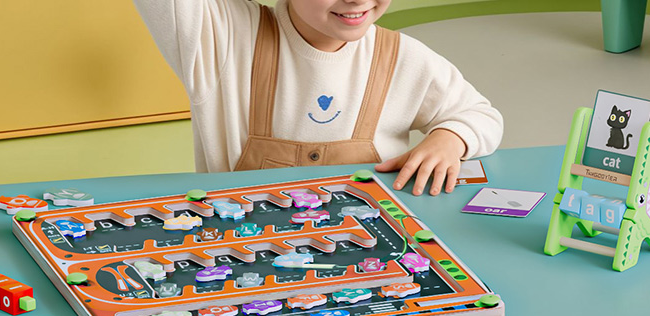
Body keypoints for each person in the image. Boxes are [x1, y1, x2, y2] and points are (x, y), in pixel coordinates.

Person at [133, 0, 503, 195]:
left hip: (373, 261)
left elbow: (481, 115)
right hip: (243, 259)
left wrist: (450, 138)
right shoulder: (223, 37)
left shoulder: (404, 56)